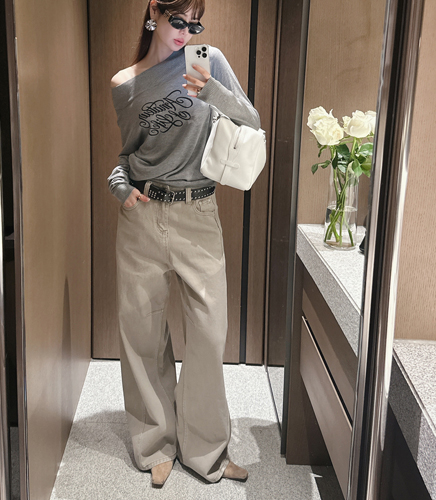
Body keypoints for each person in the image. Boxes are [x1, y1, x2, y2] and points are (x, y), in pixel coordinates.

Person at [108, 0, 261, 488]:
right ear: (154, 12)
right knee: (143, 334)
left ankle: (207, 450)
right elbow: (128, 155)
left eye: (195, 24)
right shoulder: (124, 84)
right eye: (178, 21)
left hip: (198, 213)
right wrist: (119, 185)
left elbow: (252, 121)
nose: (186, 33)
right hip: (142, 215)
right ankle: (154, 443)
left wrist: (212, 90)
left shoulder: (207, 60)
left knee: (209, 335)